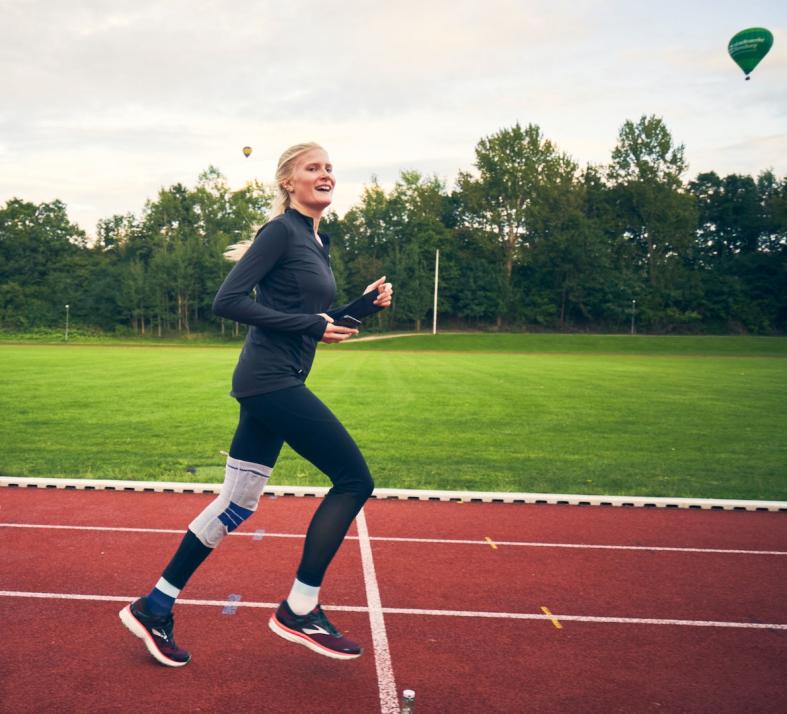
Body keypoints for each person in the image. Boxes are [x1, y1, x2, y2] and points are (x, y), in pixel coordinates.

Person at [119, 142, 393, 666]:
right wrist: (312, 323)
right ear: (289, 182)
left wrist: (362, 307)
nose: (326, 174)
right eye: (313, 167)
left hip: (272, 379)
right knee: (355, 480)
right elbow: (229, 302)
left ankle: (155, 606)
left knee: (237, 503)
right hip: (270, 381)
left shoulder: (317, 239)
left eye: (330, 167)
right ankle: (300, 607)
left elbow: (310, 319)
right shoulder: (281, 232)